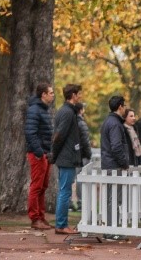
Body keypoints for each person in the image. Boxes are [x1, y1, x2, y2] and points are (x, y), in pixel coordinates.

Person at [51, 83, 88, 235]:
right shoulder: (67, 112)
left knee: (64, 191)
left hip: (66, 157)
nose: (80, 96)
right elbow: (59, 135)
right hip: (66, 158)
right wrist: (55, 155)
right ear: (73, 95)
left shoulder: (66, 111)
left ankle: (62, 224)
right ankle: (61, 225)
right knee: (65, 192)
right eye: (79, 94)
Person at [99, 96, 131, 240]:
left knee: (109, 199)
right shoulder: (115, 124)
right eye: (124, 106)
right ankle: (112, 231)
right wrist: (124, 163)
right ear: (120, 106)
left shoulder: (108, 121)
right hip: (114, 165)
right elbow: (116, 146)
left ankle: (109, 229)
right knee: (114, 199)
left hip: (108, 164)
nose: (125, 108)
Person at [25, 83, 55, 231]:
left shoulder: (44, 110)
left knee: (43, 187)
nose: (53, 95)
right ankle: (35, 218)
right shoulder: (34, 110)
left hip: (45, 153)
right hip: (38, 154)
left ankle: (41, 218)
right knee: (36, 186)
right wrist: (39, 153)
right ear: (43, 94)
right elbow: (30, 133)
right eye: (50, 93)